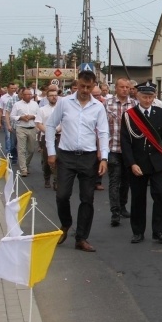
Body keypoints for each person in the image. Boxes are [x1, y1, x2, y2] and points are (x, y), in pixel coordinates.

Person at [45, 70, 110, 253]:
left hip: (88, 157)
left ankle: (81, 238)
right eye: (82, 86)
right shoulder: (64, 103)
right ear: (77, 84)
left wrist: (104, 157)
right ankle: (66, 224)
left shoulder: (98, 107)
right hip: (66, 155)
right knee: (62, 195)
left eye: (89, 87)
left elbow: (103, 132)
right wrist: (51, 152)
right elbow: (50, 125)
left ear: (94, 86)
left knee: (87, 198)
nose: (85, 90)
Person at [121, 82, 162, 244]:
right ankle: (137, 231)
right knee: (138, 198)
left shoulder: (161, 113)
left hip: (157, 162)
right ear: (137, 96)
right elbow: (126, 142)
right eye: (144, 97)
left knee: (159, 195)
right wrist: (131, 163)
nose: (147, 100)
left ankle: (160, 231)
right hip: (138, 163)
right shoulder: (129, 115)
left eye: (150, 97)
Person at [105, 77, 136, 227]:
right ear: (115, 88)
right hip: (113, 148)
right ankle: (114, 212)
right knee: (114, 180)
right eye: (121, 87)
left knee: (126, 181)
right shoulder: (108, 104)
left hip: (129, 150)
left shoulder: (134, 105)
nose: (124, 89)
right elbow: (102, 126)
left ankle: (123, 205)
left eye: (127, 87)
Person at [10, 88, 40, 176]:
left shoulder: (35, 104)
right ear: (23, 95)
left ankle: (26, 164)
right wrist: (20, 117)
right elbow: (12, 116)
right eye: (27, 94)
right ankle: (23, 169)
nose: (30, 96)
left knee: (31, 150)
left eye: (30, 94)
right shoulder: (17, 104)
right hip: (21, 128)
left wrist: (32, 116)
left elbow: (39, 115)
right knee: (21, 149)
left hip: (32, 128)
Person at [35, 87, 60, 189]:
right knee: (47, 159)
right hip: (46, 136)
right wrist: (49, 131)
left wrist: (56, 130)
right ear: (47, 97)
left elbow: (65, 122)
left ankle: (56, 180)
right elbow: (38, 123)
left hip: (59, 136)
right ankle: (47, 178)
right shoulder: (42, 109)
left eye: (55, 95)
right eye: (51, 95)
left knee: (58, 158)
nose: (54, 97)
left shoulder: (61, 108)